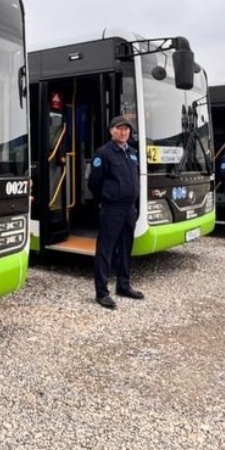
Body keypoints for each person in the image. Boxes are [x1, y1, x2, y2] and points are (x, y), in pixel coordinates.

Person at [87, 115, 144, 309]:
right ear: (111, 131)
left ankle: (123, 285)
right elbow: (93, 183)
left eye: (126, 129)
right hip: (112, 208)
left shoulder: (133, 153)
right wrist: (106, 198)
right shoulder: (103, 153)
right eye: (119, 128)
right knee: (106, 250)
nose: (124, 132)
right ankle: (102, 292)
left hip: (129, 209)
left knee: (126, 248)